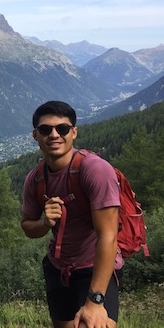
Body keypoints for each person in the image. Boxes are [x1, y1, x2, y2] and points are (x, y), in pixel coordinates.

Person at [21, 100, 121, 328]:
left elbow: (108, 235)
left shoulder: (95, 170)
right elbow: (27, 226)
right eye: (45, 129)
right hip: (57, 270)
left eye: (62, 129)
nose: (54, 134)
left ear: (74, 132)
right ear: (35, 135)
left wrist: (96, 300)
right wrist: (45, 223)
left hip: (95, 270)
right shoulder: (35, 179)